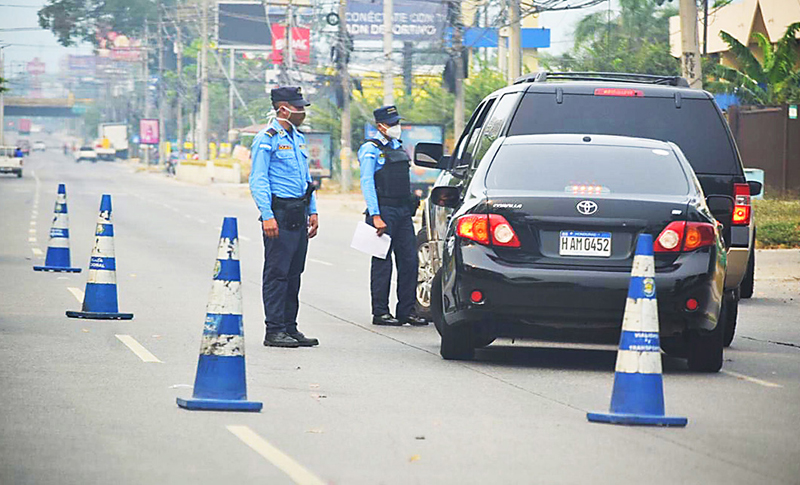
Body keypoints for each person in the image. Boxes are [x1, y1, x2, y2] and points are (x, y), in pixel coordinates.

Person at [249, 86, 320, 348]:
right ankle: (274, 330)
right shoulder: (266, 138)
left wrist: (312, 210)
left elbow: (306, 180)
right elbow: (258, 179)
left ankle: (290, 327)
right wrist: (267, 215)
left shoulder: (298, 138)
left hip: (298, 212)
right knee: (277, 273)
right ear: (283, 109)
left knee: (294, 273)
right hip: (278, 213)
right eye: (298, 108)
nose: (302, 113)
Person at [357, 106, 428, 327]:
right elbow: (367, 182)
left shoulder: (398, 147)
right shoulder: (370, 149)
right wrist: (376, 215)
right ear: (381, 126)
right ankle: (380, 312)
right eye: (393, 123)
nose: (397, 127)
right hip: (383, 211)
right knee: (382, 263)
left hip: (402, 211)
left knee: (409, 261)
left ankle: (406, 311)